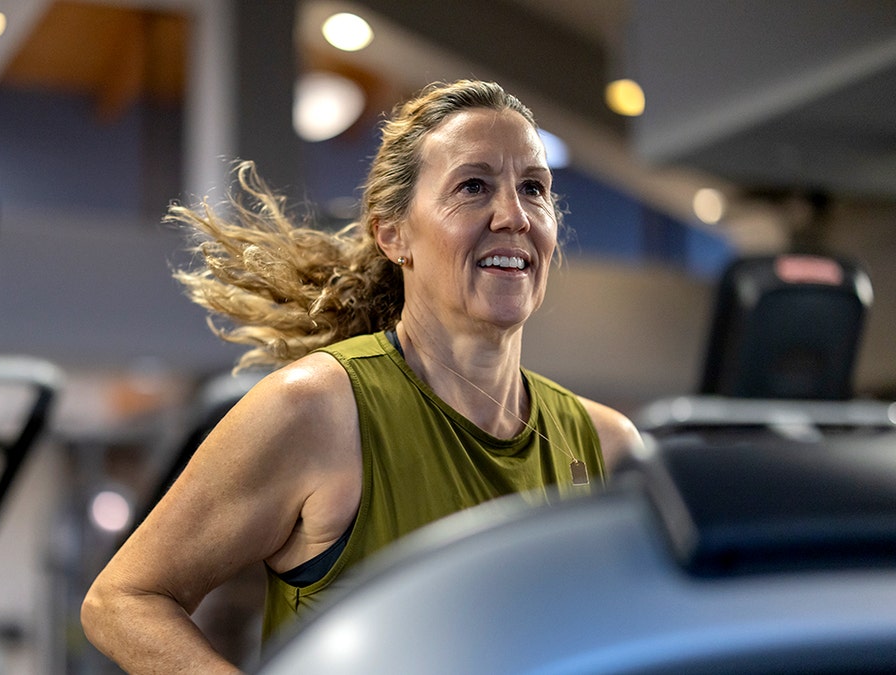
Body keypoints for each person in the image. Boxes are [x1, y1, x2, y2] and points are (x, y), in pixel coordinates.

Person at [82, 79, 643, 674]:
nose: (514, 215)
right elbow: (121, 600)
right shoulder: (318, 410)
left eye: (534, 188)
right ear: (393, 234)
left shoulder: (608, 447)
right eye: (473, 186)